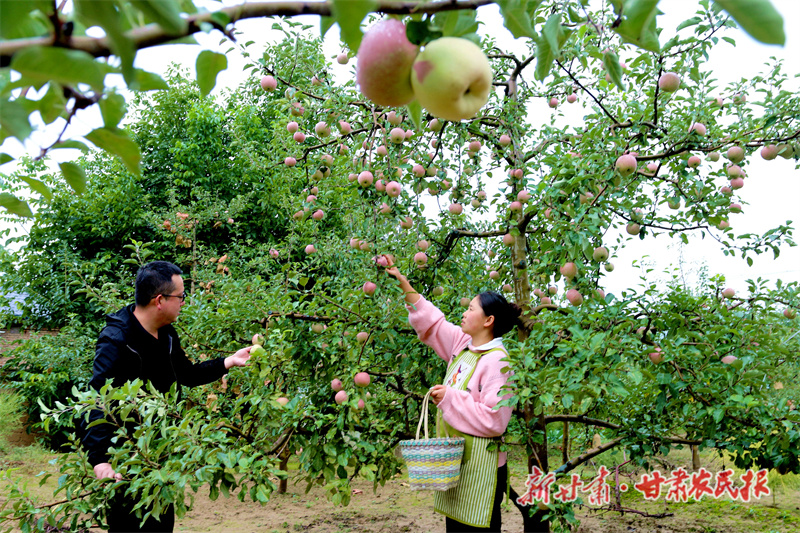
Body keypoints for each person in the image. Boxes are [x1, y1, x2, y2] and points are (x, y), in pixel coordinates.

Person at [81, 261, 252, 532]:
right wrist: (100, 458)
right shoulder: (117, 339)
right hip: (128, 455)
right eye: (181, 296)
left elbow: (185, 373)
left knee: (161, 524)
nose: (184, 302)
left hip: (161, 455)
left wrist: (228, 362)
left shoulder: (168, 335)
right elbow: (96, 398)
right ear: (159, 300)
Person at [384, 256, 521, 532]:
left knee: (479, 527)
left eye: (471, 309)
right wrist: (402, 280)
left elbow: (495, 420)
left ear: (488, 320)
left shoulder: (498, 361)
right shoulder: (463, 345)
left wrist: (449, 398)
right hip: (458, 461)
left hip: (483, 466)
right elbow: (432, 322)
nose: (464, 313)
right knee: (457, 526)